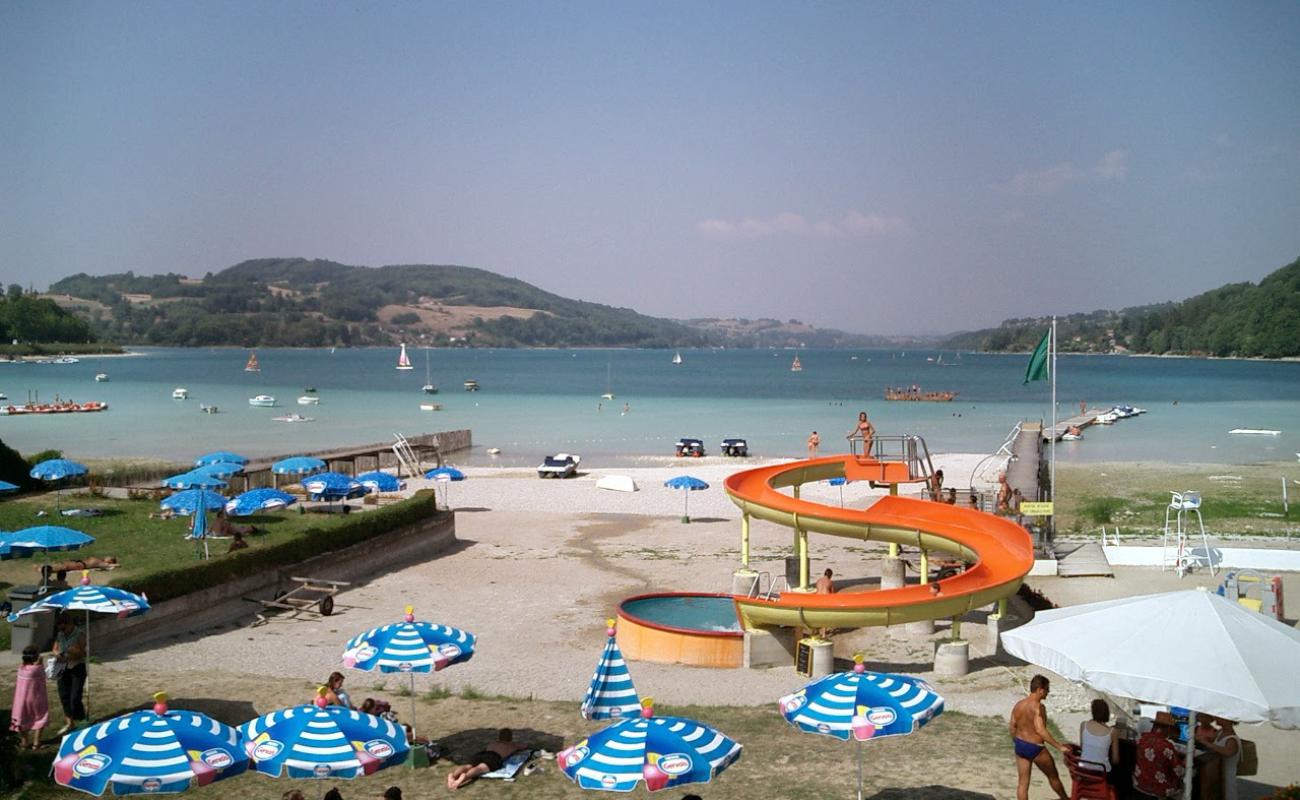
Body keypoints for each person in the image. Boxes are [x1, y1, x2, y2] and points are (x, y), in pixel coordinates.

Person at [1009, 674, 1071, 800]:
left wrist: (1016, 740)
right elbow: (1040, 730)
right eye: (1047, 689)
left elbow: (1012, 726)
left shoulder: (1019, 704)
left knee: (1022, 784)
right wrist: (1059, 747)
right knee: (1053, 776)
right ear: (1040, 690)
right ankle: (1065, 798)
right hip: (1035, 747)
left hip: (1020, 744)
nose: (1048, 692)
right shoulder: (1038, 707)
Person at [446, 728, 527, 789]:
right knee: (479, 768)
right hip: (494, 757)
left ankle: (453, 776)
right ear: (510, 738)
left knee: (468, 766)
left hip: (482, 754)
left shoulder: (494, 743)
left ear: (499, 736)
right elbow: (525, 746)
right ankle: (465, 777)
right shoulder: (511, 745)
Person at [1132, 711, 1185, 798]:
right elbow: (1179, 772)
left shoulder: (1141, 738)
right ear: (1167, 729)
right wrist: (1184, 763)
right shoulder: (1167, 747)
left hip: (1139, 782)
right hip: (1159, 789)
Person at [52, 613, 87, 733]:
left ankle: (82, 720)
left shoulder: (80, 634)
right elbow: (55, 648)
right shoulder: (60, 634)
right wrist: (57, 654)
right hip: (62, 666)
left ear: (70, 624)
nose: (62, 630)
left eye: (63, 628)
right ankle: (70, 723)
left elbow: (83, 653)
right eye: (60, 628)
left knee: (75, 697)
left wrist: (73, 652)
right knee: (64, 696)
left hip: (77, 667)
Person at [10, 645, 49, 749]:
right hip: (36, 699)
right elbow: (43, 672)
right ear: (36, 656)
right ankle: (36, 743)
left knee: (22, 719)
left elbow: (27, 665)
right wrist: (41, 661)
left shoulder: (21, 669)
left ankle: (24, 742)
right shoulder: (38, 669)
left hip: (21, 700)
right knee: (41, 717)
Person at [1196, 715, 1241, 800]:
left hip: (1227, 777)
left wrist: (1206, 742)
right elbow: (1210, 738)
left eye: (1219, 716)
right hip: (1217, 774)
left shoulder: (1232, 739)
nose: (1216, 717)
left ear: (1228, 719)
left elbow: (1229, 752)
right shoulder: (1221, 732)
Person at [1077, 698, 1120, 774]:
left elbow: (1082, 747)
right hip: (1101, 771)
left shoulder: (1083, 725)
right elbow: (1115, 760)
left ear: (1093, 712)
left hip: (1083, 768)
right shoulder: (1112, 732)